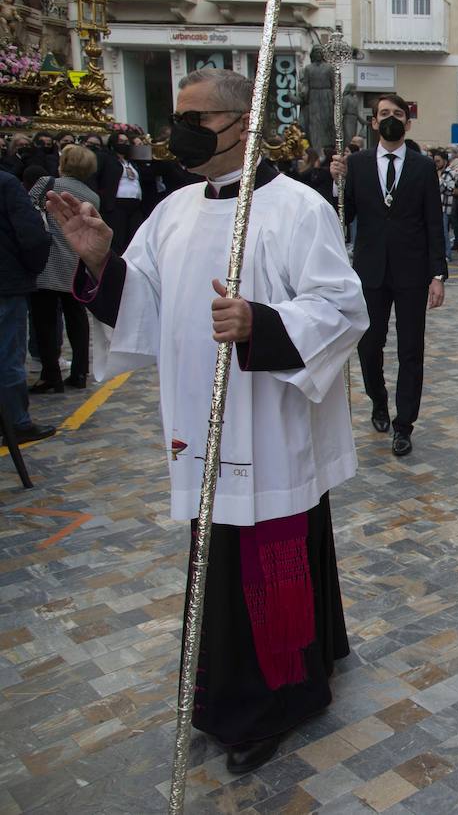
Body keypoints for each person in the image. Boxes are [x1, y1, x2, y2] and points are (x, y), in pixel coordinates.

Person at [51, 67, 365, 773]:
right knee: (216, 556)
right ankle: (238, 683)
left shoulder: (299, 208)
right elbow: (144, 305)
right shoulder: (174, 210)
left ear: (241, 125)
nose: (180, 132)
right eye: (178, 118)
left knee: (268, 554)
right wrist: (100, 259)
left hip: (271, 420)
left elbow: (342, 309)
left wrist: (261, 323)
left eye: (196, 119)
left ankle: (275, 701)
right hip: (201, 418)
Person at [332, 93, 447, 457]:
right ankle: (378, 400)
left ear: (407, 123)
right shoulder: (358, 164)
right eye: (384, 114)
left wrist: (438, 274)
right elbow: (343, 214)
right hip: (370, 271)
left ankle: (404, 424)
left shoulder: (423, 167)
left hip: (413, 271)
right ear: (374, 122)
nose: (391, 118)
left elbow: (434, 223)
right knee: (369, 346)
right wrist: (335, 183)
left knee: (411, 350)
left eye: (398, 113)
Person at [28, 144, 101, 393]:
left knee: (45, 323)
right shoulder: (93, 196)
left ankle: (51, 376)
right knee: (77, 319)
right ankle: (80, 372)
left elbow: (28, 212)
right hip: (75, 264)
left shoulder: (47, 184)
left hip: (46, 262)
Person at [0, 165, 53, 443]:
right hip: (6, 283)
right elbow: (32, 234)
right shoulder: (6, 184)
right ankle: (16, 422)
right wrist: (31, 269)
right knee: (9, 356)